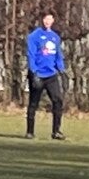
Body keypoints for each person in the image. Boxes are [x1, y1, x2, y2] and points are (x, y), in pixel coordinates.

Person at [24, 10, 67, 139]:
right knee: (34, 103)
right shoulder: (34, 36)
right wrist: (34, 72)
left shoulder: (55, 37)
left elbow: (58, 55)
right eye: (45, 19)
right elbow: (31, 55)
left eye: (49, 19)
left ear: (53, 20)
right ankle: (30, 131)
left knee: (57, 100)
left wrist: (62, 69)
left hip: (51, 75)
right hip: (38, 74)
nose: (47, 21)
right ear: (41, 20)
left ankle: (56, 131)